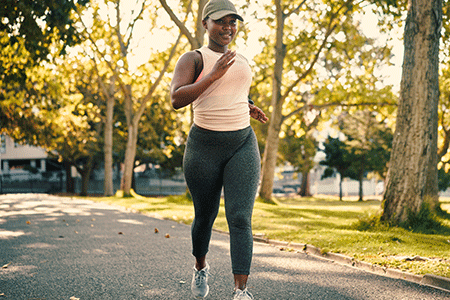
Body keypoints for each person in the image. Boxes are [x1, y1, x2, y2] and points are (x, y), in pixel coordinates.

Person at [170, 0, 268, 298]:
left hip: (241, 142)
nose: (228, 27)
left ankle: (241, 291)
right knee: (205, 216)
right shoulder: (193, 58)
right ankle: (200, 267)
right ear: (205, 24)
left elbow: (234, 91)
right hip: (204, 147)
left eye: (233, 22)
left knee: (240, 217)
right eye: (221, 21)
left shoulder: (241, 59)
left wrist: (248, 105)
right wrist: (211, 75)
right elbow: (176, 99)